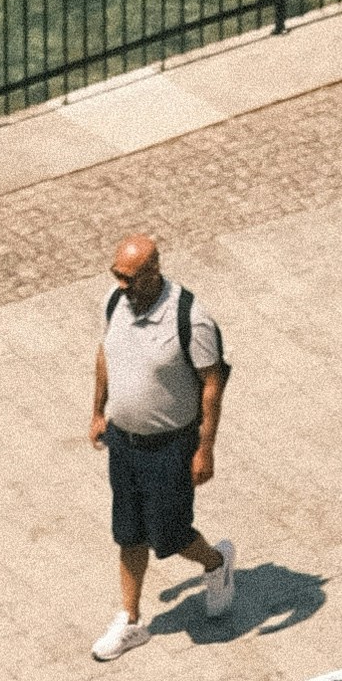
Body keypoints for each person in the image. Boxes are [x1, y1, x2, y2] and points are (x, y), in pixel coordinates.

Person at [87, 232, 231, 654]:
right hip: (124, 442)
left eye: (129, 277)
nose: (121, 285)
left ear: (153, 271)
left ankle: (216, 563)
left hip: (171, 446)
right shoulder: (116, 303)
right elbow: (105, 354)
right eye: (117, 275)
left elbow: (212, 384)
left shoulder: (191, 317)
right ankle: (130, 620)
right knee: (128, 531)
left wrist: (205, 449)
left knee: (169, 534)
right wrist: (98, 412)